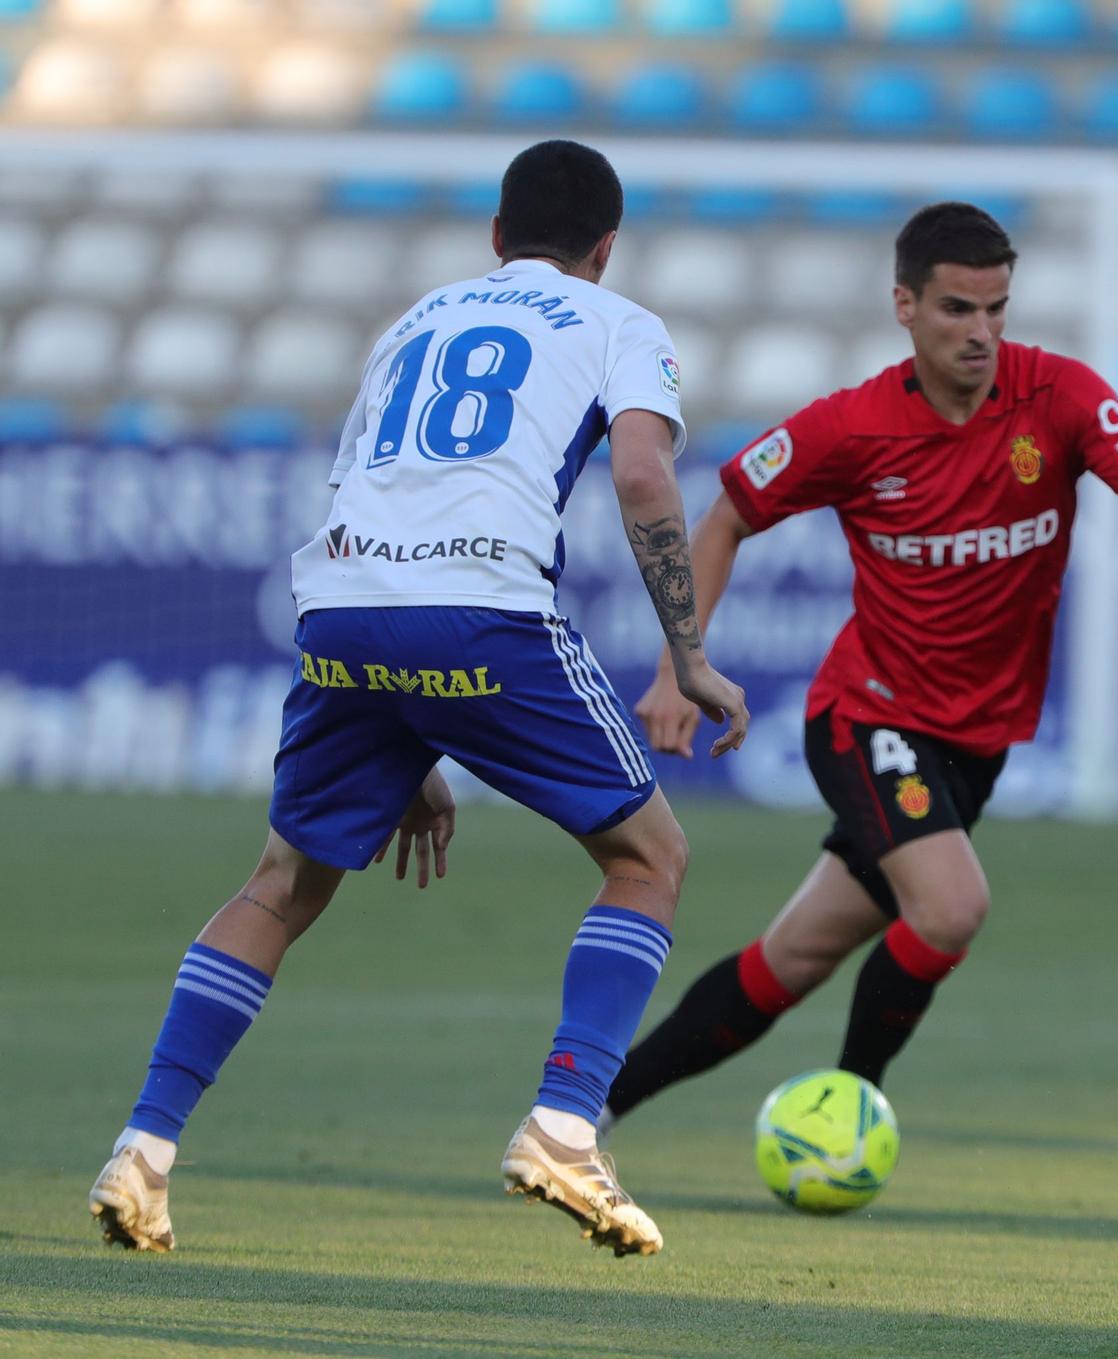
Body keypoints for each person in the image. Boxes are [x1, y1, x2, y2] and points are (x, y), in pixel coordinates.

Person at [86, 140, 748, 1257]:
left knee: (284, 880)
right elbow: (641, 474)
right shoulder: (618, 321)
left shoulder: (415, 321)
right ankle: (564, 1123)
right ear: (604, 249)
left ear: (495, 236)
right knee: (650, 859)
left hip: (341, 607)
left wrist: (414, 737)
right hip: (483, 606)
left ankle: (142, 1152)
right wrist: (686, 650)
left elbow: (362, 481)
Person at [601, 201, 1118, 1127]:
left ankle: (589, 1112)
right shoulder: (852, 429)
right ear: (905, 305)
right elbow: (725, 514)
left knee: (794, 959)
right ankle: (849, 1112)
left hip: (978, 743)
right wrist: (675, 665)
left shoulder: (1060, 396)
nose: (983, 332)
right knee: (952, 906)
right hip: (870, 717)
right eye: (958, 310)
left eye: (997, 308)